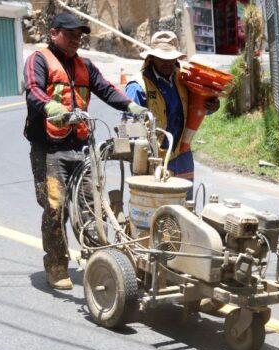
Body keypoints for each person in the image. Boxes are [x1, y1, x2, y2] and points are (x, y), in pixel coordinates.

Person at [24, 12, 147, 290]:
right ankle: (56, 265)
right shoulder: (39, 60)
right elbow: (33, 91)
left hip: (80, 148)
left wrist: (132, 107)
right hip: (48, 149)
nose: (76, 39)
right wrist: (51, 107)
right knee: (55, 208)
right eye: (70, 34)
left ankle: (96, 262)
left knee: (93, 207)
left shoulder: (85, 65)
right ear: (53, 33)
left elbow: (106, 89)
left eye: (79, 35)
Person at [124, 31, 219, 199]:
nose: (167, 62)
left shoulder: (184, 77)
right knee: (155, 209)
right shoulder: (138, 86)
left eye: (170, 58)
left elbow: (200, 105)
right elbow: (130, 127)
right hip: (152, 159)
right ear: (152, 58)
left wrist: (211, 105)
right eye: (161, 58)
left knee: (184, 207)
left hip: (182, 154)